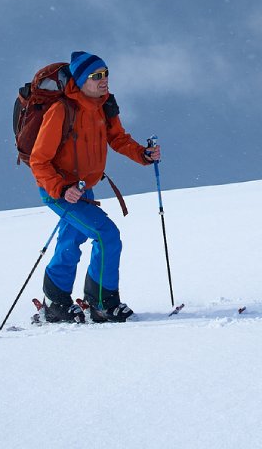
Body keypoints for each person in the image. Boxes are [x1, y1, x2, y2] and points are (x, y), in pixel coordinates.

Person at [28, 51, 161, 323]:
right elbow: (38, 160)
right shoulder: (61, 110)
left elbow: (118, 138)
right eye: (96, 76)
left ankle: (56, 303)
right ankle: (101, 302)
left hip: (82, 190)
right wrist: (61, 189)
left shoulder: (103, 105)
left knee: (71, 240)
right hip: (59, 191)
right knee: (106, 235)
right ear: (80, 80)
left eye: (106, 74)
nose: (104, 80)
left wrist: (142, 154)